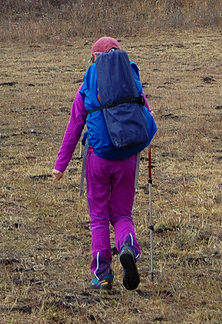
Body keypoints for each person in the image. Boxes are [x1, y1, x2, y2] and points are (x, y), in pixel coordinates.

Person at [51, 36, 152, 291]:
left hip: (98, 158)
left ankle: (103, 274)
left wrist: (60, 165)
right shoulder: (131, 79)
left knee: (98, 217)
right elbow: (146, 117)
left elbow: (74, 126)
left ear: (94, 58)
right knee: (121, 214)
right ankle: (127, 245)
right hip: (128, 158)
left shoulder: (88, 83)